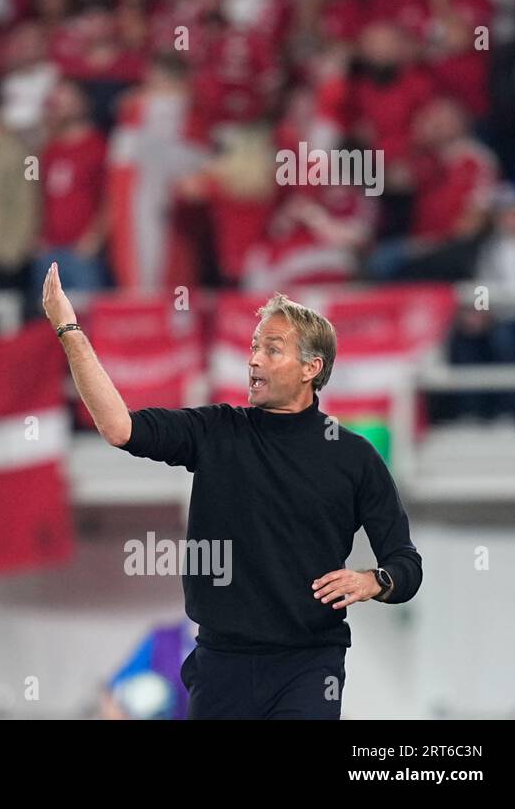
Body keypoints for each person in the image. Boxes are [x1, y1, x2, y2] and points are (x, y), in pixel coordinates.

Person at [43, 263, 423, 719]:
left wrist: (372, 581)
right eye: (254, 346)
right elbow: (118, 427)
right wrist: (69, 330)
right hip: (221, 666)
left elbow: (406, 564)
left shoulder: (353, 457)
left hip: (309, 665)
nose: (254, 358)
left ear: (311, 368)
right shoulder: (217, 432)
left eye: (272, 348)